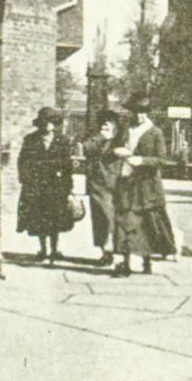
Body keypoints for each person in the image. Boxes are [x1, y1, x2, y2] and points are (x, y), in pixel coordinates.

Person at [111, 94, 176, 277]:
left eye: (143, 113)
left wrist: (142, 160)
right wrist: (118, 150)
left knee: (146, 225)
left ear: (148, 113)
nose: (139, 116)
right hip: (126, 182)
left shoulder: (155, 132)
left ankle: (146, 261)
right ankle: (125, 263)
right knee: (124, 222)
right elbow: (114, 146)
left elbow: (162, 160)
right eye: (136, 112)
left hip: (147, 186)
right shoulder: (126, 129)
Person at [17, 106, 75, 263]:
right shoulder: (30, 140)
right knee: (39, 219)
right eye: (45, 122)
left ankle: (54, 250)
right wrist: (26, 180)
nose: (48, 125)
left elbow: (68, 166)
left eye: (51, 122)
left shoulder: (62, 141)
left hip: (56, 186)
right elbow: (23, 162)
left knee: (55, 218)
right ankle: (43, 249)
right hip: (36, 186)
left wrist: (69, 189)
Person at [82, 110, 124, 268]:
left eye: (109, 122)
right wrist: (101, 137)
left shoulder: (121, 140)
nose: (105, 125)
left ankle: (116, 254)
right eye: (103, 123)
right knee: (100, 219)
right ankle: (105, 253)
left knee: (112, 219)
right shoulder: (96, 139)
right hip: (98, 186)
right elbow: (86, 148)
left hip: (116, 185)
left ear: (116, 125)